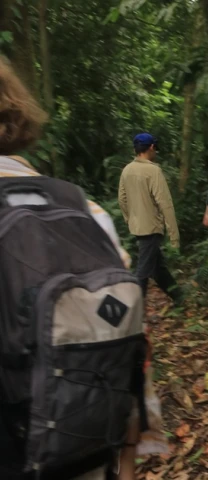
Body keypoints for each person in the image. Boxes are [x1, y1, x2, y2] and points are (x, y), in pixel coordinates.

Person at [0, 56, 166, 480]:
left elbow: (126, 203)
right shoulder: (80, 206)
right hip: (84, 453)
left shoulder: (126, 173)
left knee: (149, 271)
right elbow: (124, 348)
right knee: (143, 276)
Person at [118, 133, 183, 303]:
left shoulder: (127, 170)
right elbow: (165, 204)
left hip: (138, 227)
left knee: (157, 268)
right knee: (143, 271)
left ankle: (179, 297)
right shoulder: (153, 171)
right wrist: (174, 235)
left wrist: (130, 219)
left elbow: (122, 200)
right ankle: (135, 313)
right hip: (151, 228)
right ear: (152, 147)